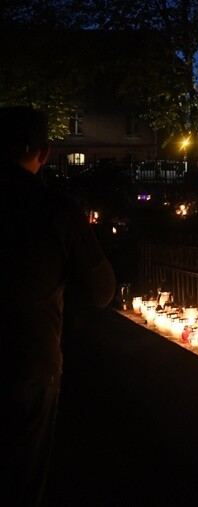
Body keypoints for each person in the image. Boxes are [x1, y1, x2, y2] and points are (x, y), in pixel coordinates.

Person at [0, 106, 116, 505]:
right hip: (29, 361)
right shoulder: (55, 209)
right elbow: (102, 290)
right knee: (23, 477)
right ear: (44, 153)